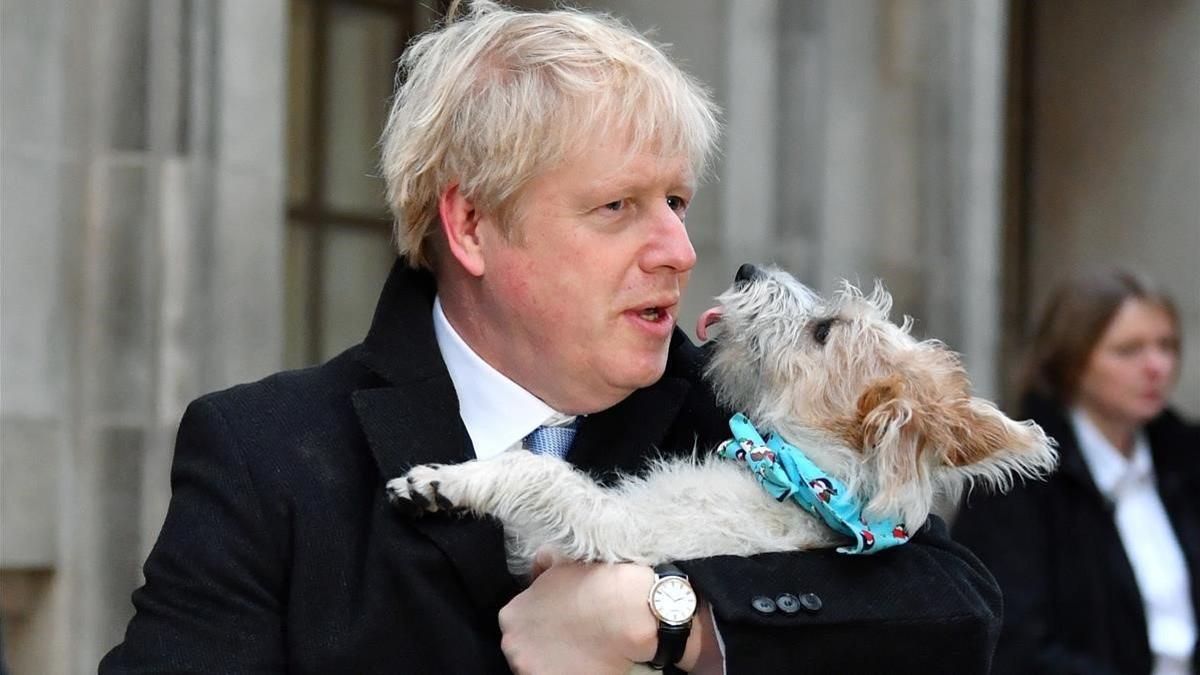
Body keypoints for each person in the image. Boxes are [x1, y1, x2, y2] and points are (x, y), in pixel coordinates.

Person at [101, 2, 1001, 672]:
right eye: (618, 207)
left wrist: (676, 619)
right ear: (472, 227)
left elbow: (960, 612)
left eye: (678, 202)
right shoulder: (264, 455)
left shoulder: (742, 431)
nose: (681, 251)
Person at [955, 267, 1200, 674]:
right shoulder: (1016, 479)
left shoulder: (1186, 460)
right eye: (1129, 350)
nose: (1157, 366)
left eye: (1167, 345)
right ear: (1071, 363)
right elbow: (1012, 645)